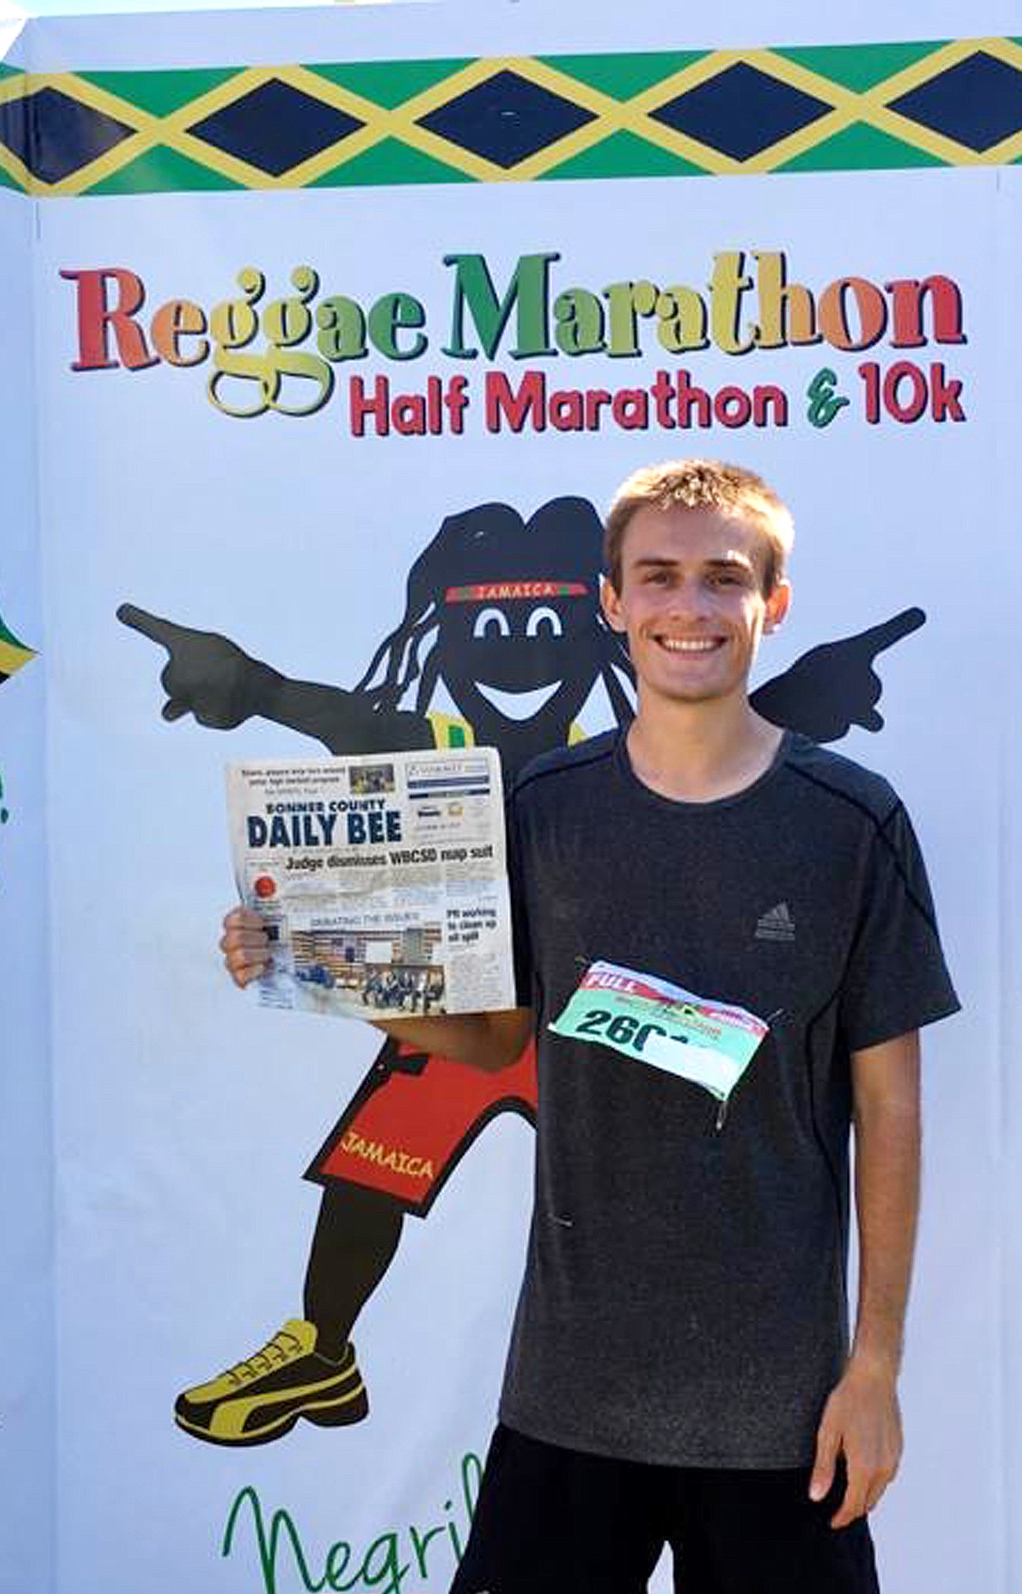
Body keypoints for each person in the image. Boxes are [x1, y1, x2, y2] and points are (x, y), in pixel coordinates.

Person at [224, 458, 959, 1592]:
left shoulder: (851, 822)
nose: (690, 608)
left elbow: (891, 1107)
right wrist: (312, 958)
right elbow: (489, 1034)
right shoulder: (545, 807)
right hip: (570, 1399)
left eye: (724, 578)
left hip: (782, 1417)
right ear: (611, 605)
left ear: (775, 602)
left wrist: (875, 1368)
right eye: (658, 577)